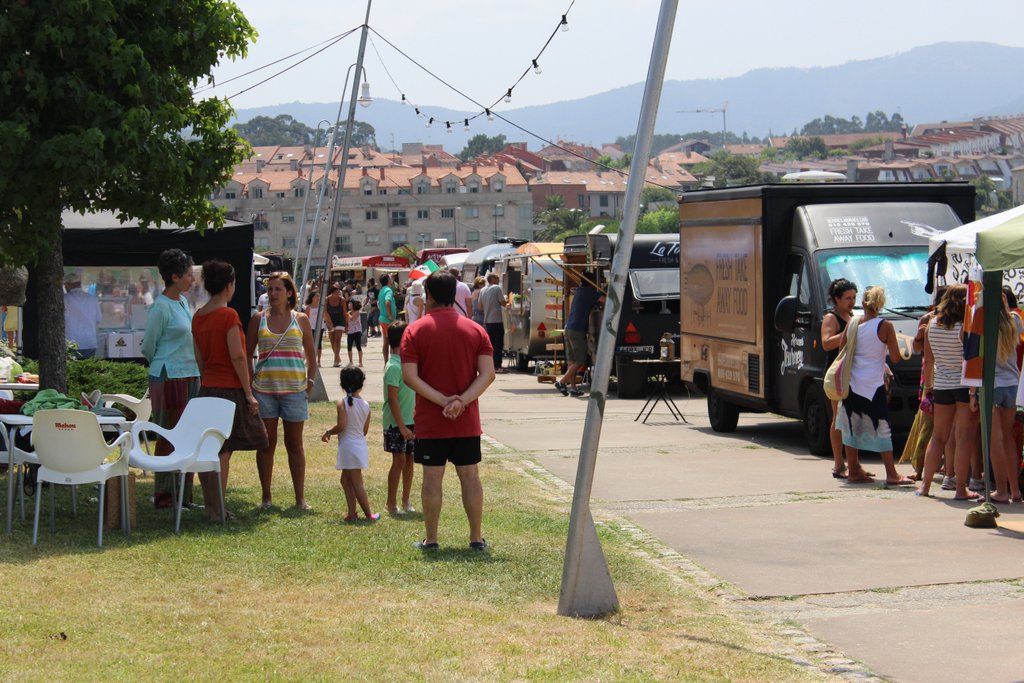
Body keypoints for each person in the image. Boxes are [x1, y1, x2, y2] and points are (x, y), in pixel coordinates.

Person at [401, 270, 496, 550]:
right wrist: (461, 401)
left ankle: (431, 539)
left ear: (428, 295)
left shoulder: (414, 330)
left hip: (431, 421)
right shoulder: (476, 330)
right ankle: (475, 537)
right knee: (470, 476)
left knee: (432, 478)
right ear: (455, 295)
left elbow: (410, 377)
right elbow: (488, 374)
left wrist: (443, 401)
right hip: (466, 421)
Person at [191, 260, 269, 520]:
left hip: (208, 387)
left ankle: (211, 506)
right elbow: (238, 356)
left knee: (209, 449)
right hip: (229, 389)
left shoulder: (198, 316)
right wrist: (248, 392)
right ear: (229, 285)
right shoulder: (228, 316)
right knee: (223, 451)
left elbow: (199, 358)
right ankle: (218, 509)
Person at [246, 272, 317, 511]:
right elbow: (247, 354)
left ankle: (300, 498)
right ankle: (266, 497)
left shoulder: (301, 319)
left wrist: (310, 382)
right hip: (264, 390)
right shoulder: (258, 319)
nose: (273, 293)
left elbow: (311, 355)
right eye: (270, 289)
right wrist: (249, 388)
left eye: (278, 289)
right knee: (266, 444)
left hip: (294, 391)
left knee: (295, 445)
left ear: (289, 293)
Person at [140, 249, 200, 508]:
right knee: (169, 436)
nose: (192, 279)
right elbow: (148, 346)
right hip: (169, 377)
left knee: (189, 436)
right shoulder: (160, 307)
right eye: (188, 275)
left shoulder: (183, 302)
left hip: (190, 375)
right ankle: (165, 496)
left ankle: (184, 496)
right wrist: (163, 364)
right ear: (174, 277)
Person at [836, 286, 913, 486]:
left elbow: (842, 350)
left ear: (863, 303)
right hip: (873, 384)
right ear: (881, 304)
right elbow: (895, 357)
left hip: (852, 383)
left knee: (851, 426)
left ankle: (853, 469)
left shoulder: (852, 323)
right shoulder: (885, 326)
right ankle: (891, 473)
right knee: (882, 427)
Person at [916, 285, 975, 498]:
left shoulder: (932, 324)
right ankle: (960, 489)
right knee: (963, 437)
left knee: (938, 436)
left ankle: (925, 486)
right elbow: (970, 360)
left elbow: (928, 360)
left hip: (941, 385)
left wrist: (928, 388)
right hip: (963, 385)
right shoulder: (964, 327)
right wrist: (973, 392)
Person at [322, 366, 379, 522]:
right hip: (359, 446)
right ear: (361, 384)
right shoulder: (366, 405)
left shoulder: (342, 403)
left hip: (348, 447)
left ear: (342, 385)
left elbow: (341, 426)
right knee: (345, 480)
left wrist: (328, 432)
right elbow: (364, 431)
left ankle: (369, 515)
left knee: (356, 483)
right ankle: (352, 513)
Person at [820, 278, 859, 479]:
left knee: (852, 418)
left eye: (854, 297)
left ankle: (854, 465)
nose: (852, 301)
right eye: (847, 298)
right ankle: (838, 465)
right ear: (837, 299)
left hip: (851, 372)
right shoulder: (831, 318)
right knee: (838, 418)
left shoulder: (852, 316)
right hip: (836, 372)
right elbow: (826, 343)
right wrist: (848, 332)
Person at [988, 292, 1024, 503]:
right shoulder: (1015, 320)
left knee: (996, 439)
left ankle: (1001, 490)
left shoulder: (984, 323)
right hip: (1012, 383)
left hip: (993, 384)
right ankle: (1015, 490)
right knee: (1009, 438)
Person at [383, 322, 416, 515]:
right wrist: (402, 427)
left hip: (411, 421)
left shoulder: (407, 365)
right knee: (399, 461)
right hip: (396, 423)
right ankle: (391, 503)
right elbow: (393, 399)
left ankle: (406, 500)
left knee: (410, 459)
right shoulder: (393, 367)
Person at [555, 271, 604, 397]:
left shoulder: (579, 292)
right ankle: (561, 382)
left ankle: (573, 388)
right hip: (578, 330)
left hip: (569, 328)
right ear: (592, 282)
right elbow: (606, 300)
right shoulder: (590, 293)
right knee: (580, 361)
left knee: (572, 361)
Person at [63, 271, 102, 358]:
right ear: (79, 284)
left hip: (71, 342)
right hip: (89, 343)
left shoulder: (65, 299)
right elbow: (98, 319)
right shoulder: (92, 299)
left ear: (68, 285)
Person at [480, 272, 509, 374]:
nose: (498, 279)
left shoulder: (483, 290)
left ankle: (491, 365)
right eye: (497, 277)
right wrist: (507, 303)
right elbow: (503, 303)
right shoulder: (497, 288)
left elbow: (480, 306)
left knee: (491, 344)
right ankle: (497, 366)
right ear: (492, 279)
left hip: (487, 321)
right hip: (497, 320)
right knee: (498, 344)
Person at [305, 289, 329, 367]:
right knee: (311, 344)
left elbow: (325, 316)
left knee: (319, 344)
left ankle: (318, 361)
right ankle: (310, 360)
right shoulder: (308, 308)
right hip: (311, 328)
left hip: (320, 327)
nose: (318, 298)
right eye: (316, 296)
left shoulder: (321, 307)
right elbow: (306, 318)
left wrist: (328, 323)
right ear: (312, 297)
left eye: (319, 296)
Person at [324, 283, 346, 367]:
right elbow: (325, 312)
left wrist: (347, 323)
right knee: (332, 340)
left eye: (338, 291)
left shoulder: (342, 300)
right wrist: (329, 322)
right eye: (336, 292)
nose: (338, 293)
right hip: (329, 320)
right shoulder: (326, 300)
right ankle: (337, 356)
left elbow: (344, 312)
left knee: (337, 340)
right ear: (332, 292)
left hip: (340, 320)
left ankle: (335, 360)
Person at [377, 273, 397, 362]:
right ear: (388, 280)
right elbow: (387, 302)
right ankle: (392, 362)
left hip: (382, 318)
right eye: (390, 278)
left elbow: (379, 304)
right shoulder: (388, 290)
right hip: (388, 320)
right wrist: (390, 316)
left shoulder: (382, 290)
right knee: (393, 343)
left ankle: (386, 362)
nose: (392, 279)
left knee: (386, 342)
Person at [347, 299, 364, 367]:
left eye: (350, 304)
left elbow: (352, 318)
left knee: (358, 346)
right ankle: (351, 361)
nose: (349, 305)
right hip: (350, 331)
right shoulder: (349, 312)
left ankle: (360, 362)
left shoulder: (357, 312)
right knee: (349, 346)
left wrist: (348, 314)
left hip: (357, 331)